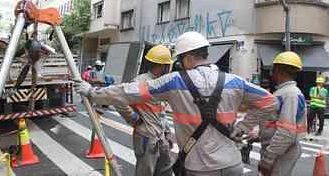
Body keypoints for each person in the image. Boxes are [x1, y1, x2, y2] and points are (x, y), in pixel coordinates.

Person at [74, 31, 277, 175]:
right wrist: (243, 127)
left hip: (200, 167)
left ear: (188, 58)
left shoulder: (175, 81)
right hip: (233, 165)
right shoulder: (234, 81)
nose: (178, 64)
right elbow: (270, 101)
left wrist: (92, 92)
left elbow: (128, 92)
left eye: (179, 60)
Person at [115, 45, 173, 176]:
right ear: (163, 66)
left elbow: (161, 111)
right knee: (145, 172)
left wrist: (167, 133)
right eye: (168, 65)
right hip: (147, 138)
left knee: (165, 171)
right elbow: (120, 102)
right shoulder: (141, 82)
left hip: (160, 137)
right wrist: (134, 119)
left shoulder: (160, 82)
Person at [250, 51, 307, 176]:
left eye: (273, 69)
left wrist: (269, 159)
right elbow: (276, 123)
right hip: (279, 149)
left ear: (278, 71)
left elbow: (286, 132)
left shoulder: (289, 94)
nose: (271, 73)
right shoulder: (286, 93)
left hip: (280, 152)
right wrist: (260, 136)